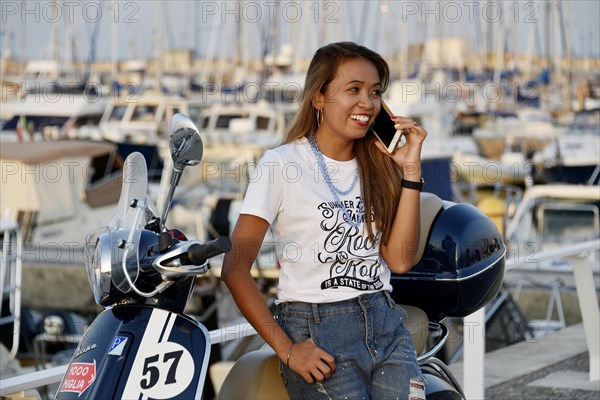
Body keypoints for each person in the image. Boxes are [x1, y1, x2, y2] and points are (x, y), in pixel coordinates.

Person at [221, 41, 427, 400]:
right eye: (353, 90)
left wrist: (409, 171)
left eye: (375, 92)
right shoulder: (281, 164)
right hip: (317, 332)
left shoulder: (379, 167)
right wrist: (288, 350)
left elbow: (399, 260)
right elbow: (235, 268)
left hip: (384, 322)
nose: (368, 102)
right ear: (319, 97)